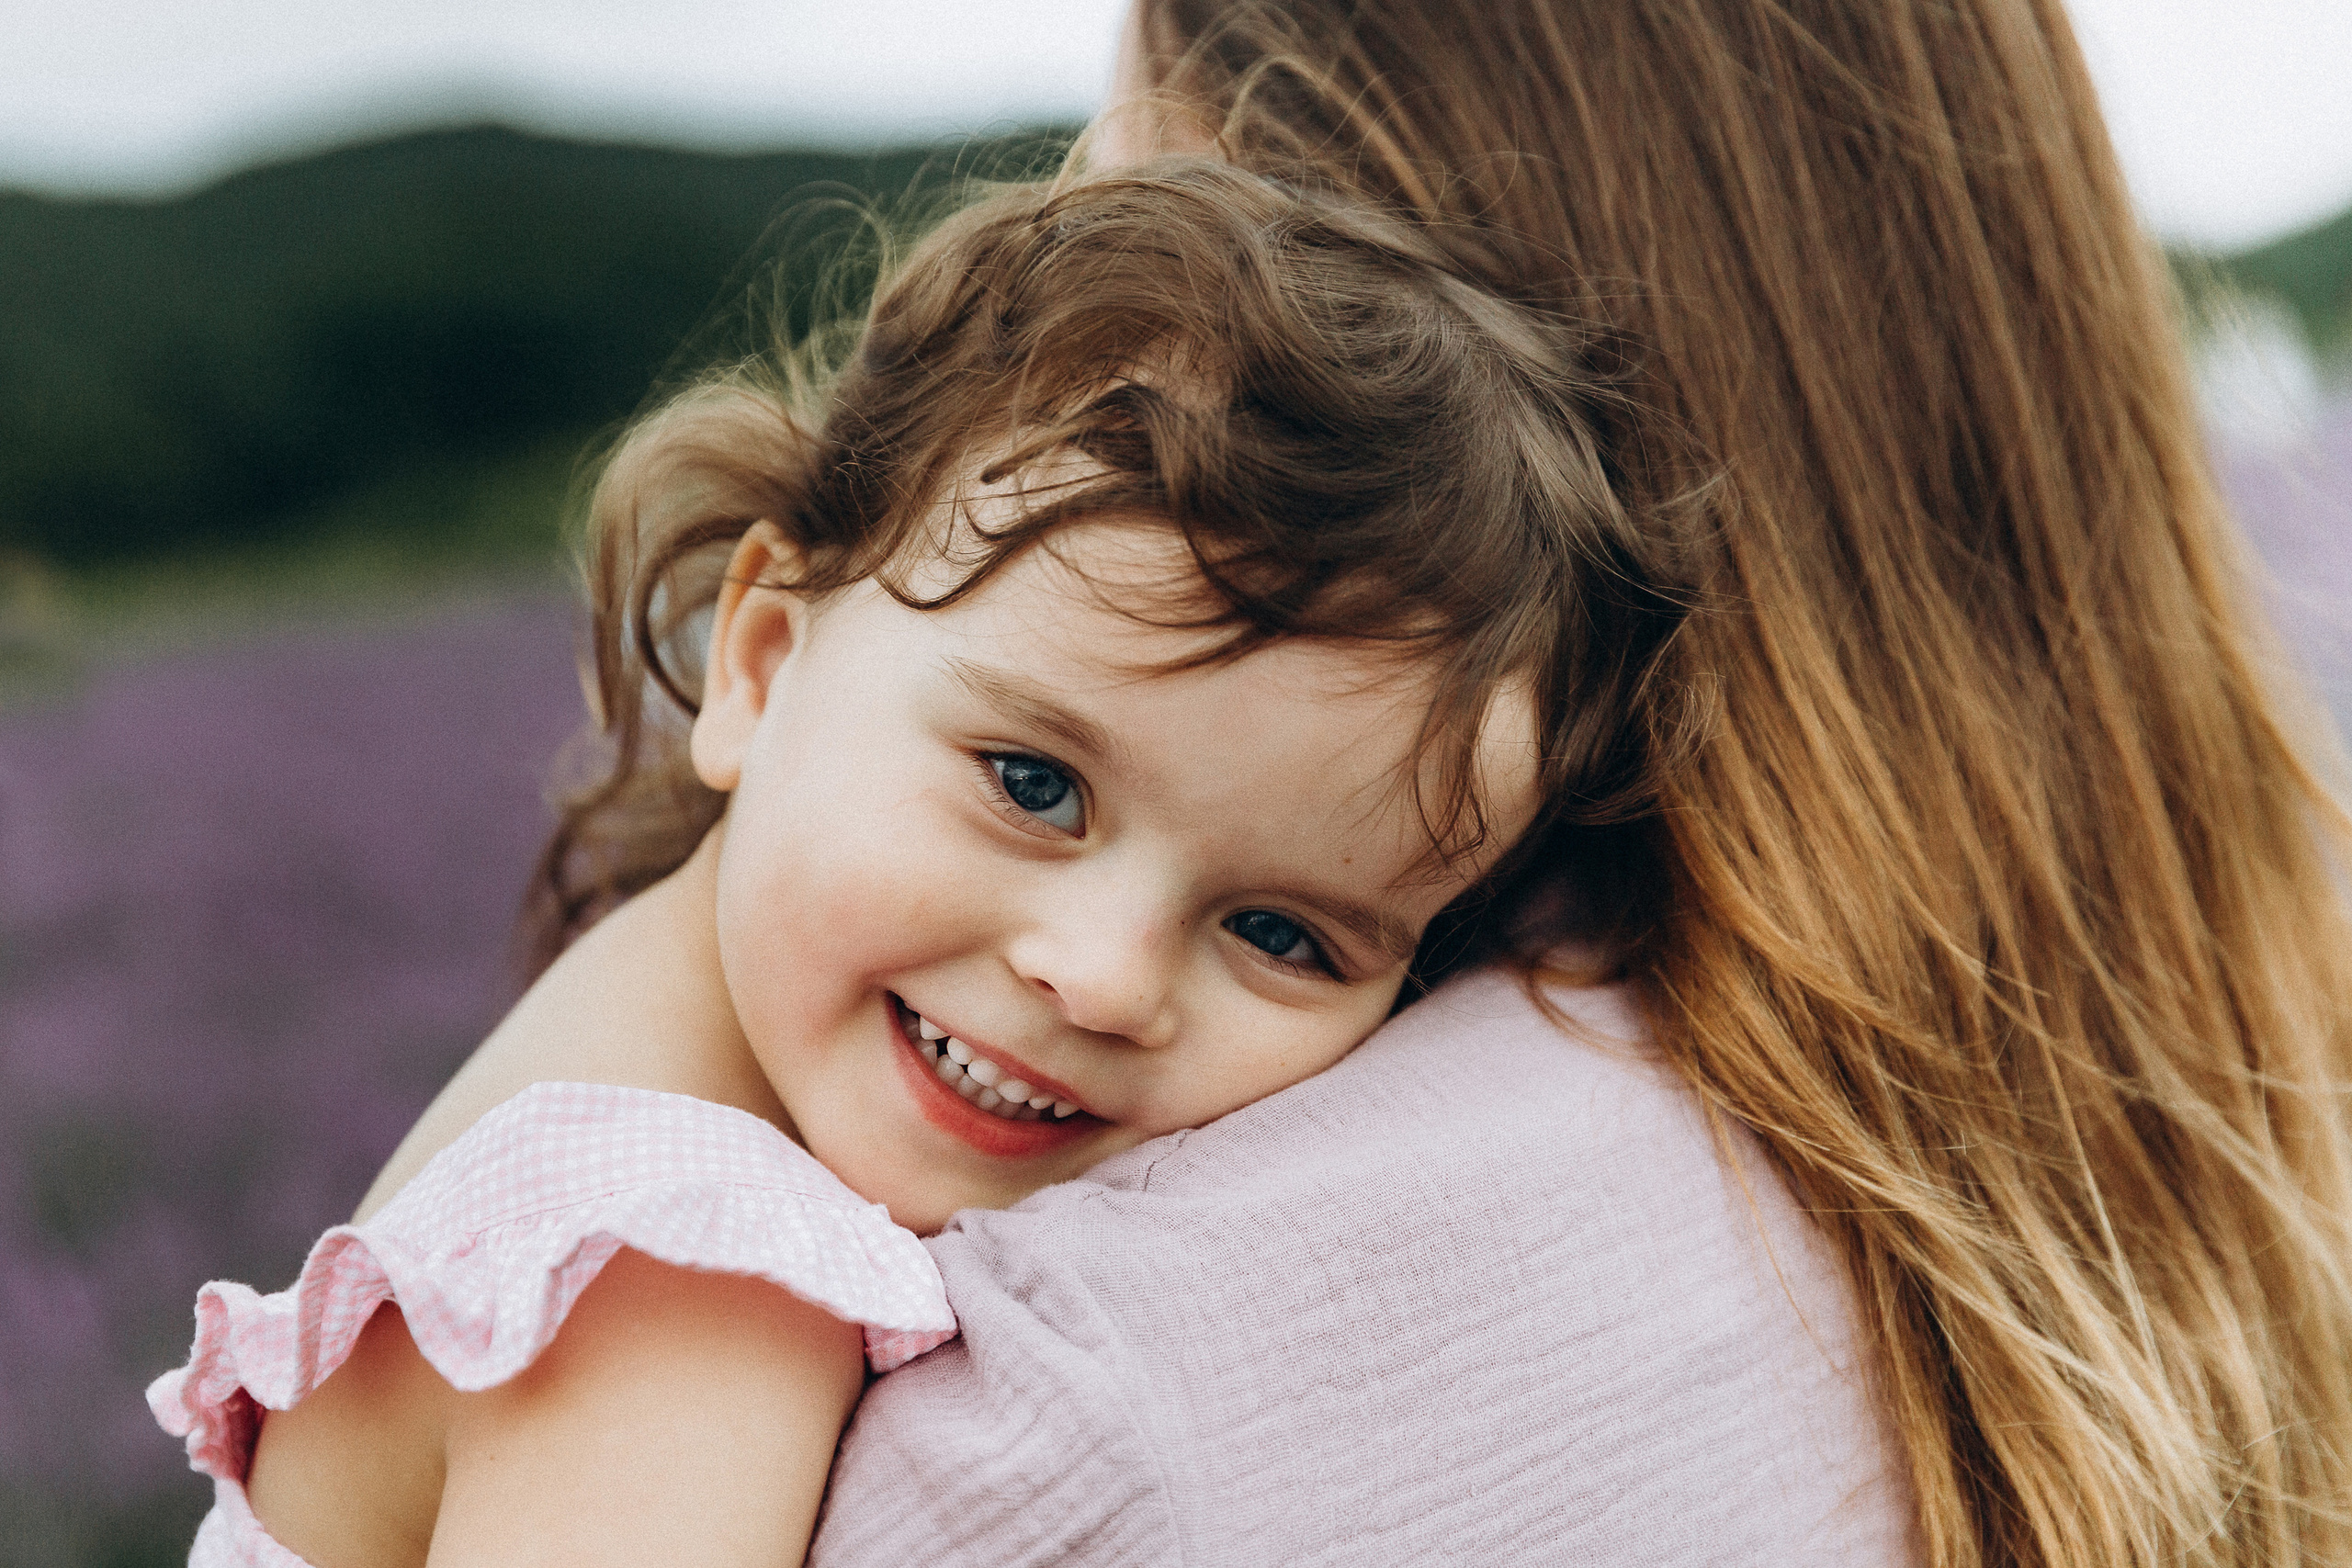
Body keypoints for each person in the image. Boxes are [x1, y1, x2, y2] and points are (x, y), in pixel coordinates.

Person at [809, 3, 2352, 1566]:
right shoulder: (2229, 1106)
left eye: (1123, 151)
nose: (1074, 188)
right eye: (1030, 781)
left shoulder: (1100, 1402)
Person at [149, 162, 1675, 1564]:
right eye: (1034, 784)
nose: (1106, 976)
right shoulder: (683, 1286)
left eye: (1284, 934)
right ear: (757, 665)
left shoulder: (678, 1016)